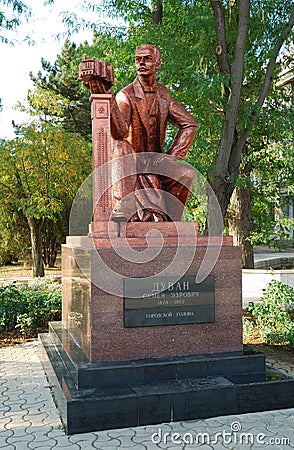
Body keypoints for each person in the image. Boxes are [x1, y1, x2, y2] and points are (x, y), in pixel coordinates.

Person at [82, 45, 198, 222]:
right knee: (122, 146)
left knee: (186, 172)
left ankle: (172, 224)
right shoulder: (126, 95)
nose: (141, 63)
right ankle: (123, 207)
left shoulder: (164, 95)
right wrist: (110, 98)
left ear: (158, 64)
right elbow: (120, 131)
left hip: (155, 160)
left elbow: (189, 124)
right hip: (132, 158)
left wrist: (173, 157)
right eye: (138, 59)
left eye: (147, 59)